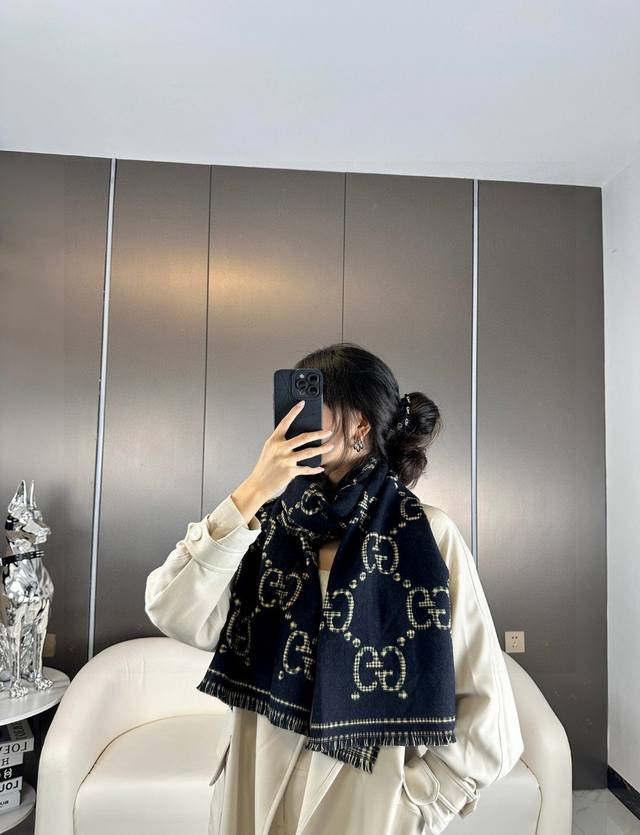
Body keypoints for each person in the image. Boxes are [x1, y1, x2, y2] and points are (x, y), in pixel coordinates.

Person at [145, 342, 524, 835]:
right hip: (256, 786)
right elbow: (173, 610)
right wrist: (252, 491)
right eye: (290, 401)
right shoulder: (265, 524)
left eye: (310, 401)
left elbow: (487, 710)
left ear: (360, 424)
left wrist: (419, 806)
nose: (292, 418)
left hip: (366, 803)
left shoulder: (427, 536)